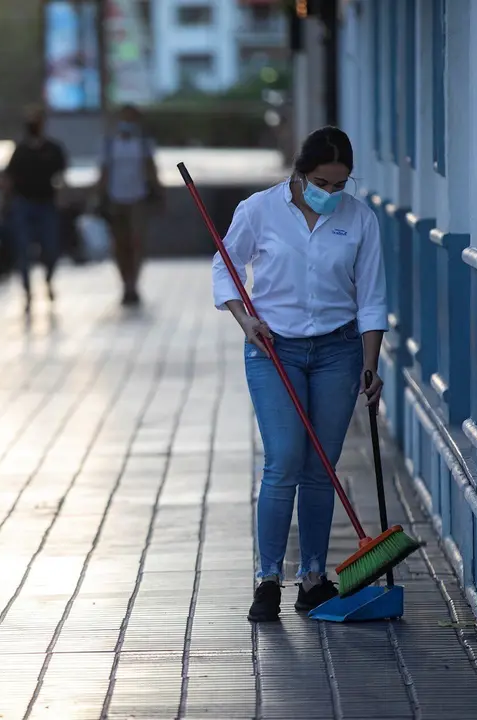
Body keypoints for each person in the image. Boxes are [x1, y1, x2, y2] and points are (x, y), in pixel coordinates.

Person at [211, 126, 388, 622]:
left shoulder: (360, 219)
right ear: (299, 173)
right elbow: (224, 266)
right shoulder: (258, 211)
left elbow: (371, 297)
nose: (331, 194)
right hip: (273, 349)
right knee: (284, 459)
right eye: (321, 183)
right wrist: (244, 319)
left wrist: (370, 363)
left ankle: (313, 578)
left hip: (339, 350)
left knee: (321, 468)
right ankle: (268, 579)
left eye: (340, 185)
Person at [3, 107, 68, 313]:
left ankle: (48, 279)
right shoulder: (20, 150)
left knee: (51, 248)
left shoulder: (53, 149)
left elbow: (62, 178)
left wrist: (62, 198)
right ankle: (27, 291)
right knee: (23, 250)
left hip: (46, 204)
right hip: (24, 203)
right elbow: (9, 178)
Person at [98, 104, 162, 307]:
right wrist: (99, 196)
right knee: (120, 244)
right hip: (116, 199)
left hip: (138, 198)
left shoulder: (143, 143)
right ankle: (125, 282)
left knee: (137, 242)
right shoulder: (109, 144)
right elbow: (104, 172)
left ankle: (134, 283)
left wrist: (159, 193)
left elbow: (151, 169)